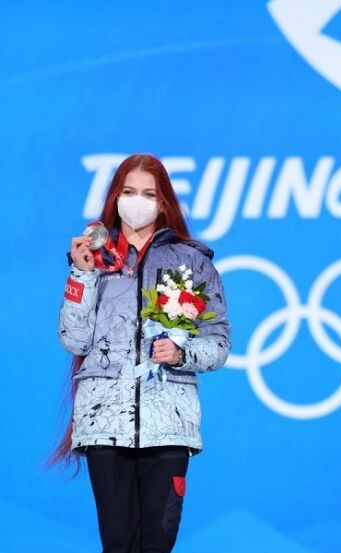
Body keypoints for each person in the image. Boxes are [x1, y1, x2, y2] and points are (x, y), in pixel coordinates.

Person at [54, 153, 231, 552]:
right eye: (129, 192)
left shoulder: (191, 262)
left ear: (164, 202)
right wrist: (81, 274)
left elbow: (218, 345)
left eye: (149, 194)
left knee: (157, 543)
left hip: (168, 424)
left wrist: (181, 352)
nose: (138, 202)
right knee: (118, 544)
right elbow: (74, 340)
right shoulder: (94, 259)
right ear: (115, 198)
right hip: (104, 422)